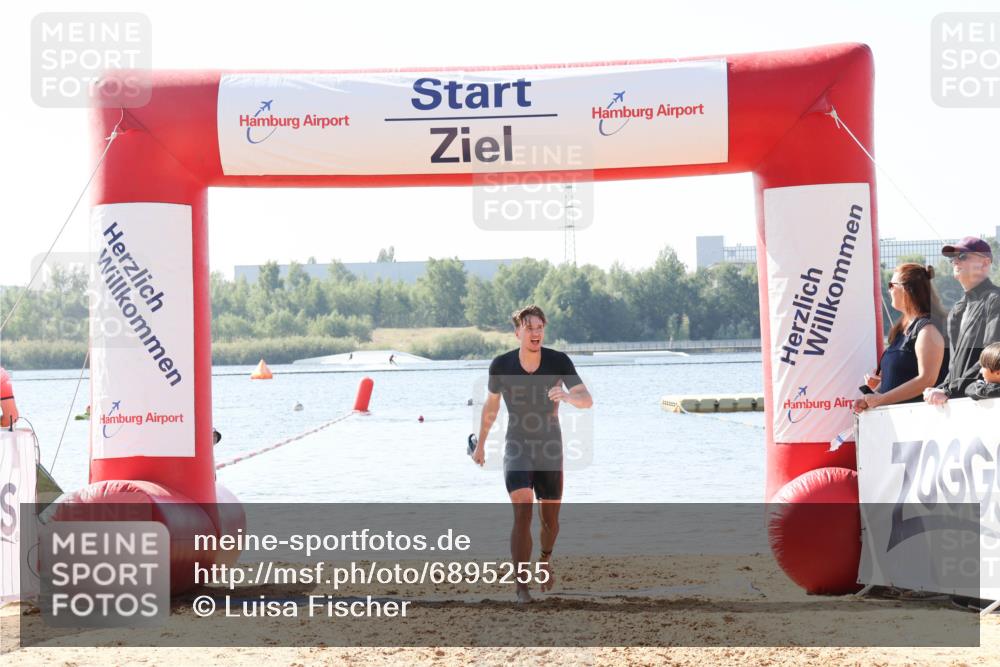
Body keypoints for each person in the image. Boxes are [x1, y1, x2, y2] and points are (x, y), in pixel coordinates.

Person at [473, 305, 593, 604]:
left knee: (550, 521)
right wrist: (481, 443)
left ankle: (545, 559)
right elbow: (491, 407)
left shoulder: (558, 360)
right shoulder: (501, 365)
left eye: (540, 327)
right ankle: (521, 585)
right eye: (530, 328)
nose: (536, 333)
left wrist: (567, 396)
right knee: (523, 508)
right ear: (518, 333)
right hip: (517, 446)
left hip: (550, 447)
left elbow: (586, 400)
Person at [853, 264, 947, 412]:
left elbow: (927, 380)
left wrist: (881, 399)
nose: (888, 290)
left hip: (918, 422)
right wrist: (873, 396)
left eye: (891, 285)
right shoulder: (902, 329)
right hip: (895, 423)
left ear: (907, 290)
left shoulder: (927, 330)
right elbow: (897, 380)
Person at [924, 236, 1000, 405]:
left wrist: (949, 390)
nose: (955, 261)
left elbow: (991, 359)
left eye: (963, 256)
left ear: (985, 263)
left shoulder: (996, 300)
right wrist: (943, 387)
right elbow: (955, 364)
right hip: (961, 403)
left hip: (987, 405)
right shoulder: (958, 309)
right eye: (953, 258)